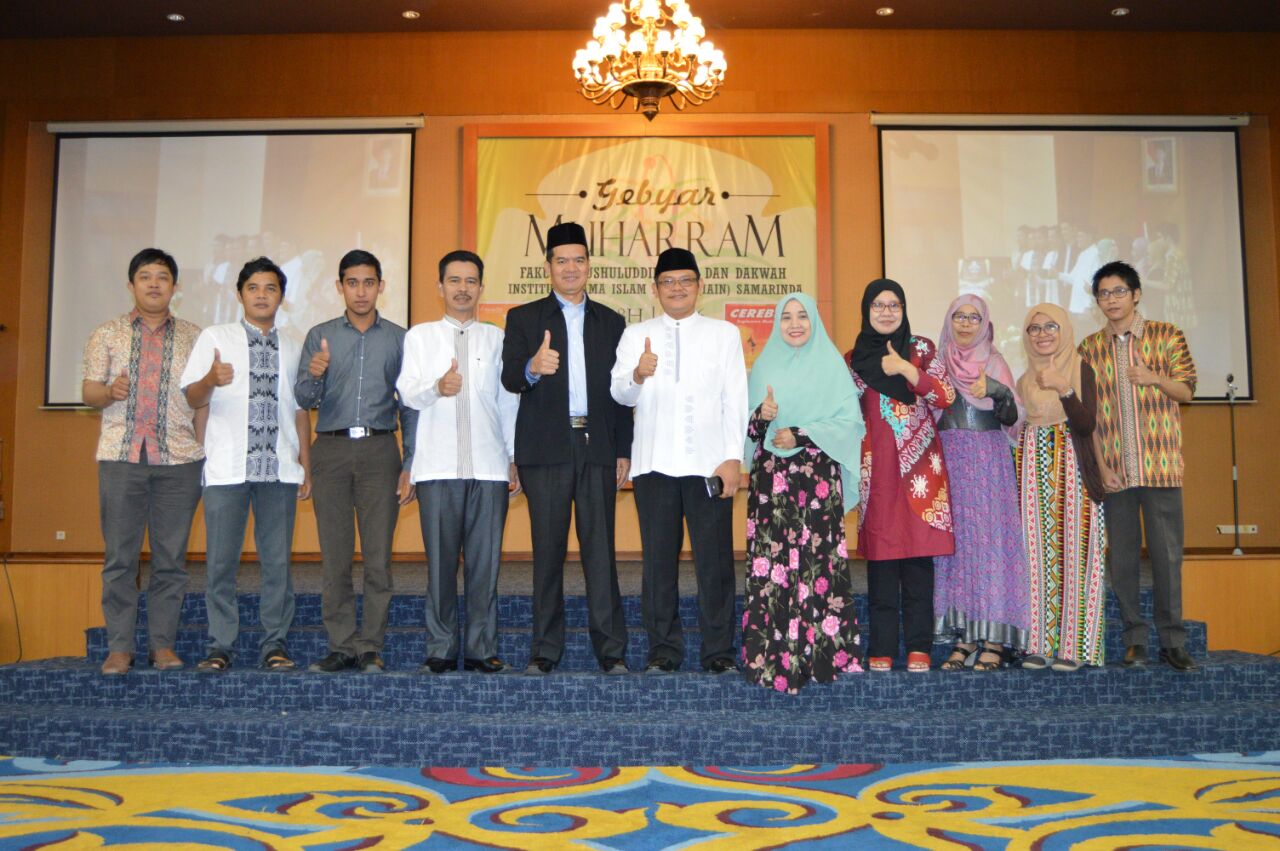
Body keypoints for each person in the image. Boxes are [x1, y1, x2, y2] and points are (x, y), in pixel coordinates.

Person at [500, 222, 632, 675]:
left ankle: (611, 651)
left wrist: (623, 449)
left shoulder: (611, 322)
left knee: (601, 553)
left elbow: (621, 395)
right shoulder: (523, 318)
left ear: (589, 265)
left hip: (598, 448)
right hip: (545, 451)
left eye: (578, 260)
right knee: (547, 552)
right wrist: (532, 367)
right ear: (548, 267)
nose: (570, 268)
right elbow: (510, 379)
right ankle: (544, 650)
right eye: (561, 261)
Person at [610, 247, 746, 675]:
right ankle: (663, 651)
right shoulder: (636, 335)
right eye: (668, 282)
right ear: (655, 290)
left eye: (685, 280)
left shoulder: (724, 334)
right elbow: (619, 394)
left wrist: (733, 458)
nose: (677, 288)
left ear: (699, 286)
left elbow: (735, 399)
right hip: (654, 466)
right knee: (657, 564)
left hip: (709, 466)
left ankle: (719, 651)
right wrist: (638, 373)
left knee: (716, 564)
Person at [181, 257, 312, 672]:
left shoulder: (294, 345)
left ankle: (275, 644)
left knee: (277, 564)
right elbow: (193, 398)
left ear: (281, 296)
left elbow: (300, 410)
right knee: (221, 564)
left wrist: (305, 465)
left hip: (279, 469)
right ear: (239, 294)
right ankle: (220, 645)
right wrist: (210, 379)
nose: (261, 295)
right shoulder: (215, 337)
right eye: (253, 287)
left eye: (270, 288)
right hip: (227, 468)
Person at [82, 248, 205, 675]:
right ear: (131, 284)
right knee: (121, 558)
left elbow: (202, 400)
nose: (154, 284)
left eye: (163, 277)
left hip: (179, 460)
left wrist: (199, 449)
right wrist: (108, 392)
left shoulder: (194, 337)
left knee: (171, 560)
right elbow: (88, 391)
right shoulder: (107, 333)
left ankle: (162, 646)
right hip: (122, 457)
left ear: (175, 286)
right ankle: (120, 647)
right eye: (146, 276)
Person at [295, 250, 417, 675]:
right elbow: (303, 399)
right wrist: (315, 374)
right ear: (339, 287)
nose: (361, 291)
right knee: (336, 557)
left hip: (381, 452)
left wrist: (410, 463)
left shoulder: (400, 339)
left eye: (368, 282)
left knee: (378, 559)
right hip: (330, 450)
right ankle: (342, 645)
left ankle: (370, 647)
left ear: (381, 285)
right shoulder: (320, 336)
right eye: (352, 283)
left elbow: (410, 407)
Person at [398, 250, 520, 674]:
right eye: (454, 280)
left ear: (481, 288)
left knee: (486, 567)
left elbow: (509, 403)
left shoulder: (497, 339)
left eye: (470, 281)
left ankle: (482, 648)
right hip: (437, 469)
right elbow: (407, 393)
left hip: (489, 468)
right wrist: (437, 386)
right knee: (441, 566)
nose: (462, 289)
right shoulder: (420, 337)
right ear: (440, 287)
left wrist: (512, 457)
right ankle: (441, 648)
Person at [741, 293, 865, 692]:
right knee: (773, 566)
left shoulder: (831, 366)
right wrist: (761, 416)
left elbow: (849, 424)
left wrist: (802, 433)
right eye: (786, 317)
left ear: (814, 322)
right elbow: (747, 432)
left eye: (802, 316)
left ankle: (822, 657)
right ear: (777, 324)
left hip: (816, 480)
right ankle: (773, 660)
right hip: (772, 483)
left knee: (817, 565)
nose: (795, 324)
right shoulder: (764, 367)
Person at [1078, 261, 1198, 671]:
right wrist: (1100, 467)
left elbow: (1186, 391)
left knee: (1167, 557)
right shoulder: (1089, 349)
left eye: (1118, 292)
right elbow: (1089, 417)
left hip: (1160, 466)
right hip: (1115, 472)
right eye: (1103, 294)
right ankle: (1135, 640)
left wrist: (1154, 378)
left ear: (1136, 294)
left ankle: (1172, 641)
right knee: (1123, 560)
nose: (1111, 300)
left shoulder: (1167, 335)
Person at [845, 279, 955, 673]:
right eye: (878, 305)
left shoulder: (921, 349)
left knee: (918, 563)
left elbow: (945, 395)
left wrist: (907, 369)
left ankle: (919, 647)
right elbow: (843, 412)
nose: (887, 312)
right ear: (866, 310)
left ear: (904, 310)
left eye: (894, 305)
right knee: (881, 563)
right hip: (877, 474)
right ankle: (883, 646)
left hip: (920, 471)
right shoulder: (852, 359)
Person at [932, 295, 1029, 672]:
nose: (965, 323)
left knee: (991, 548)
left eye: (974, 317)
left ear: (985, 323)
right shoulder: (939, 362)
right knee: (959, 549)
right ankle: (966, 636)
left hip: (988, 462)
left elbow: (1012, 417)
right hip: (951, 461)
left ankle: (993, 639)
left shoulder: (994, 362)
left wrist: (997, 390)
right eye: (959, 316)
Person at [1016, 303, 1107, 672]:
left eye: (1050, 326)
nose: (1042, 335)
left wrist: (1063, 388)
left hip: (1073, 469)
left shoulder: (1081, 368)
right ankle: (1039, 644)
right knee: (1037, 556)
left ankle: (1075, 647)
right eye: (1034, 328)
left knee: (1076, 553)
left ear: (1064, 330)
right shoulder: (1024, 379)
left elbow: (1086, 425)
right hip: (1033, 471)